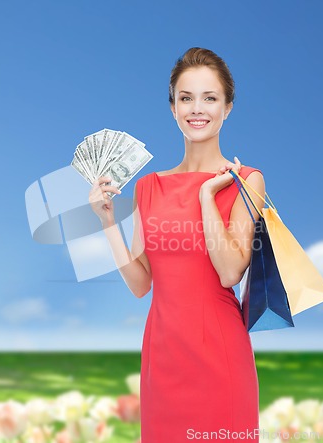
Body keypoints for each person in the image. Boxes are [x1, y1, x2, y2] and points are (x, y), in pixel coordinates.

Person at [89, 47, 265, 443]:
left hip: (220, 356)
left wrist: (206, 198)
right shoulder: (148, 186)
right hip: (162, 358)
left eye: (210, 98)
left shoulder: (247, 181)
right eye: (186, 98)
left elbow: (229, 271)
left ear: (228, 107)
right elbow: (140, 284)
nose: (197, 109)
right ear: (172, 108)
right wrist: (107, 222)